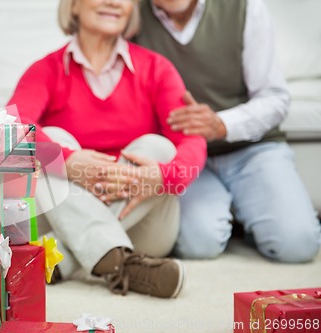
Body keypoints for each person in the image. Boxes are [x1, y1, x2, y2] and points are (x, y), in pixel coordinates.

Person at [7, 0, 206, 298]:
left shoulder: (157, 68)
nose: (114, 2)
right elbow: (14, 126)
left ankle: (59, 255)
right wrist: (67, 161)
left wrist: (163, 177)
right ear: (73, 6)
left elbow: (193, 140)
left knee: (159, 148)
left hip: (141, 224)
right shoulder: (45, 70)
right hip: (66, 211)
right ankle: (122, 265)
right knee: (51, 142)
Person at [134, 0, 320, 262]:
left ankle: (247, 211)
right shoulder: (128, 14)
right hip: (183, 156)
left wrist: (221, 124)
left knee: (298, 244)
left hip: (251, 148)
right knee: (197, 244)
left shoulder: (244, 7)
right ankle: (237, 214)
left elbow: (274, 97)